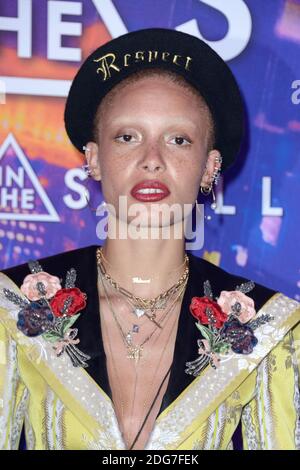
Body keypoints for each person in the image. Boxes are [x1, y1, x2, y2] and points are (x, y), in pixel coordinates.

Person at [0, 28, 299, 451]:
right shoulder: (13, 306)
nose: (152, 160)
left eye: (178, 140)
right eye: (128, 137)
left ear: (209, 167)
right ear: (94, 158)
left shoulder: (266, 326)